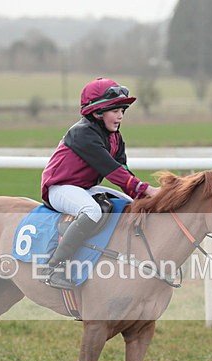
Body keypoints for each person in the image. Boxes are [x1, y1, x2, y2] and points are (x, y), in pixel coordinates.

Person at [40, 77, 158, 289]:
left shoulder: (115, 137)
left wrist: (141, 195)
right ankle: (54, 268)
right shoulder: (83, 133)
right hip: (59, 188)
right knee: (93, 211)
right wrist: (146, 189)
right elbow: (112, 171)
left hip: (83, 188)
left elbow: (123, 172)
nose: (121, 116)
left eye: (123, 110)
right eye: (115, 111)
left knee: (127, 201)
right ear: (97, 113)